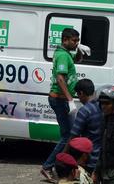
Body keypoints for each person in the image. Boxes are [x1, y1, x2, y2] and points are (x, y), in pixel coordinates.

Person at [41, 27, 80, 182]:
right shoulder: (63, 55)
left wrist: (81, 49)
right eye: (74, 41)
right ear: (65, 40)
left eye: (78, 40)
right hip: (60, 99)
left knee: (70, 135)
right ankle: (48, 166)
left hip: (61, 99)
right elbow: (60, 79)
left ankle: (62, 168)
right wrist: (70, 99)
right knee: (67, 136)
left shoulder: (65, 53)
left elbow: (77, 59)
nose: (76, 43)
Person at [66, 79, 102, 175]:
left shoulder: (84, 111)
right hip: (101, 157)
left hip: (88, 158)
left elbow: (73, 136)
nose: (79, 98)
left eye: (78, 95)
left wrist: (64, 154)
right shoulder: (102, 107)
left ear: (81, 93)